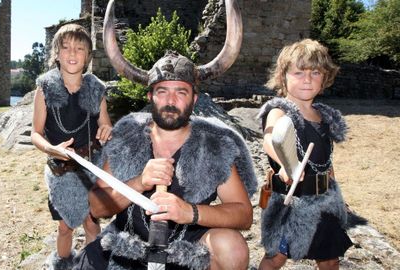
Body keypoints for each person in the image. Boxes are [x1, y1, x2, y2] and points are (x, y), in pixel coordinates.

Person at [73, 1, 256, 269]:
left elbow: (243, 214)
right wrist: (140, 182)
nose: (171, 100)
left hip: (186, 248)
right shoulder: (127, 138)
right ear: (150, 97)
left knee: (233, 248)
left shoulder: (214, 146)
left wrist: (189, 212)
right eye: (162, 91)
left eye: (181, 92)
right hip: (127, 244)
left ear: (194, 100)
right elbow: (97, 208)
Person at [257, 39, 352, 270]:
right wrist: (286, 163)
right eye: (298, 72)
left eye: (315, 72)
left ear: (325, 78)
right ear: (283, 77)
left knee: (330, 258)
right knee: (275, 257)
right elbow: (272, 139)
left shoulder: (324, 117)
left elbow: (326, 162)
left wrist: (337, 194)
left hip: (325, 200)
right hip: (290, 203)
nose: (307, 79)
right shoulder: (279, 111)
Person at [31, 23, 112, 269]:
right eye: (65, 47)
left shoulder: (96, 89)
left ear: (88, 56)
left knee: (91, 222)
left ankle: (91, 264)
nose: (72, 53)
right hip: (61, 169)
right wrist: (52, 149)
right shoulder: (44, 89)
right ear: (56, 53)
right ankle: (63, 262)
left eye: (79, 48)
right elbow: (36, 133)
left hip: (91, 167)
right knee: (66, 226)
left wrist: (107, 129)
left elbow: (105, 123)